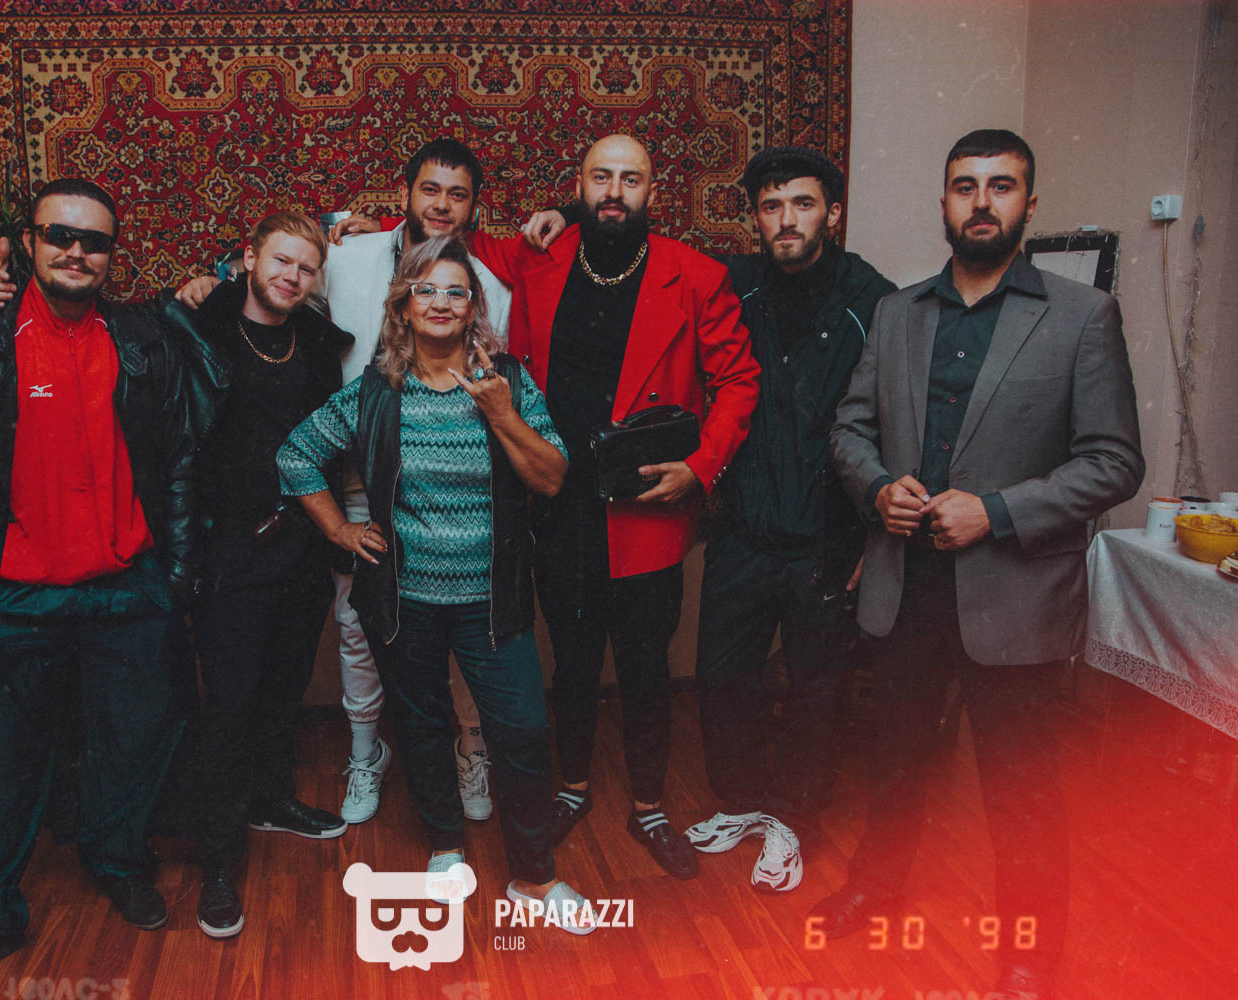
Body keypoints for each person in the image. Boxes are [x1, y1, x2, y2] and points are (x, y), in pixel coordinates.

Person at [819, 129, 1144, 1000]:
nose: (982, 202)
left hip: (1015, 596)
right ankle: (875, 888)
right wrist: (877, 488)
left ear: (1029, 204)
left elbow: (1114, 461)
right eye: (966, 186)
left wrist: (995, 512)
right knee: (894, 760)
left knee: (1021, 790)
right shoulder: (899, 312)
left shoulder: (1082, 316)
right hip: (905, 585)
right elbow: (850, 428)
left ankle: (1031, 950)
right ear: (945, 203)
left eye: (1002, 186)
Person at [0, 179, 194, 983]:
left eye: (94, 241)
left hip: (127, 587)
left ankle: (117, 862)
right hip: (12, 595)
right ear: (27, 243)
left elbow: (178, 461)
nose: (75, 251)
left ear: (111, 256)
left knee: (129, 745)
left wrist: (172, 574)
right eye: (59, 234)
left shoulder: (142, 341)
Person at [175, 139, 509, 827]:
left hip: (442, 480)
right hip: (352, 472)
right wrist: (213, 281)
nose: (441, 205)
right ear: (405, 193)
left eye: (457, 195)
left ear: (474, 207)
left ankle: (471, 749)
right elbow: (279, 282)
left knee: (461, 623)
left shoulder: (488, 288)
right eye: (429, 190)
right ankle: (364, 752)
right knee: (357, 624)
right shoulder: (349, 256)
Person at [277, 235, 594, 931]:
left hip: (492, 602)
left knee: (523, 731)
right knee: (420, 724)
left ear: (474, 306)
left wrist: (502, 413)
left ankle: (535, 877)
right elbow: (295, 454)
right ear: (404, 306)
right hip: (404, 601)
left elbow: (552, 478)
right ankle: (446, 847)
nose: (442, 302)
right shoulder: (376, 392)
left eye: (457, 291)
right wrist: (339, 530)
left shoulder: (508, 380)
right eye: (427, 290)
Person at [466, 134, 761, 880]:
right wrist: (357, 231)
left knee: (644, 665)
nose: (615, 191)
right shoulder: (542, 255)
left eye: (631, 180)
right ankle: (573, 788)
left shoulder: (697, 276)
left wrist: (702, 467)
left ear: (651, 192)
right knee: (570, 662)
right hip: (558, 502)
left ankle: (651, 806)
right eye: (602, 177)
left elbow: (739, 381)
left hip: (646, 507)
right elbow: (453, 236)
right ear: (580, 185)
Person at [682, 147, 896, 892]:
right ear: (755, 218)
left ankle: (795, 818)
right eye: (771, 207)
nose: (786, 220)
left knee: (815, 689)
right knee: (722, 679)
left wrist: (875, 535)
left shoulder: (874, 298)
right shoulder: (731, 284)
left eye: (802, 204)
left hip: (827, 537)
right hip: (743, 528)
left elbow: (893, 420)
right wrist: (570, 214)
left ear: (832, 213)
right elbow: (642, 257)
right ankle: (742, 803)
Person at [154, 212, 353, 939]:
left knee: (283, 689)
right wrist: (194, 292)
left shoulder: (317, 343)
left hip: (301, 543)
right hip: (231, 548)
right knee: (229, 705)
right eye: (280, 261)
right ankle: (218, 861)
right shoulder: (200, 327)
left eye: (306, 268)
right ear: (247, 258)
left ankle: (272, 800)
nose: (291, 277)